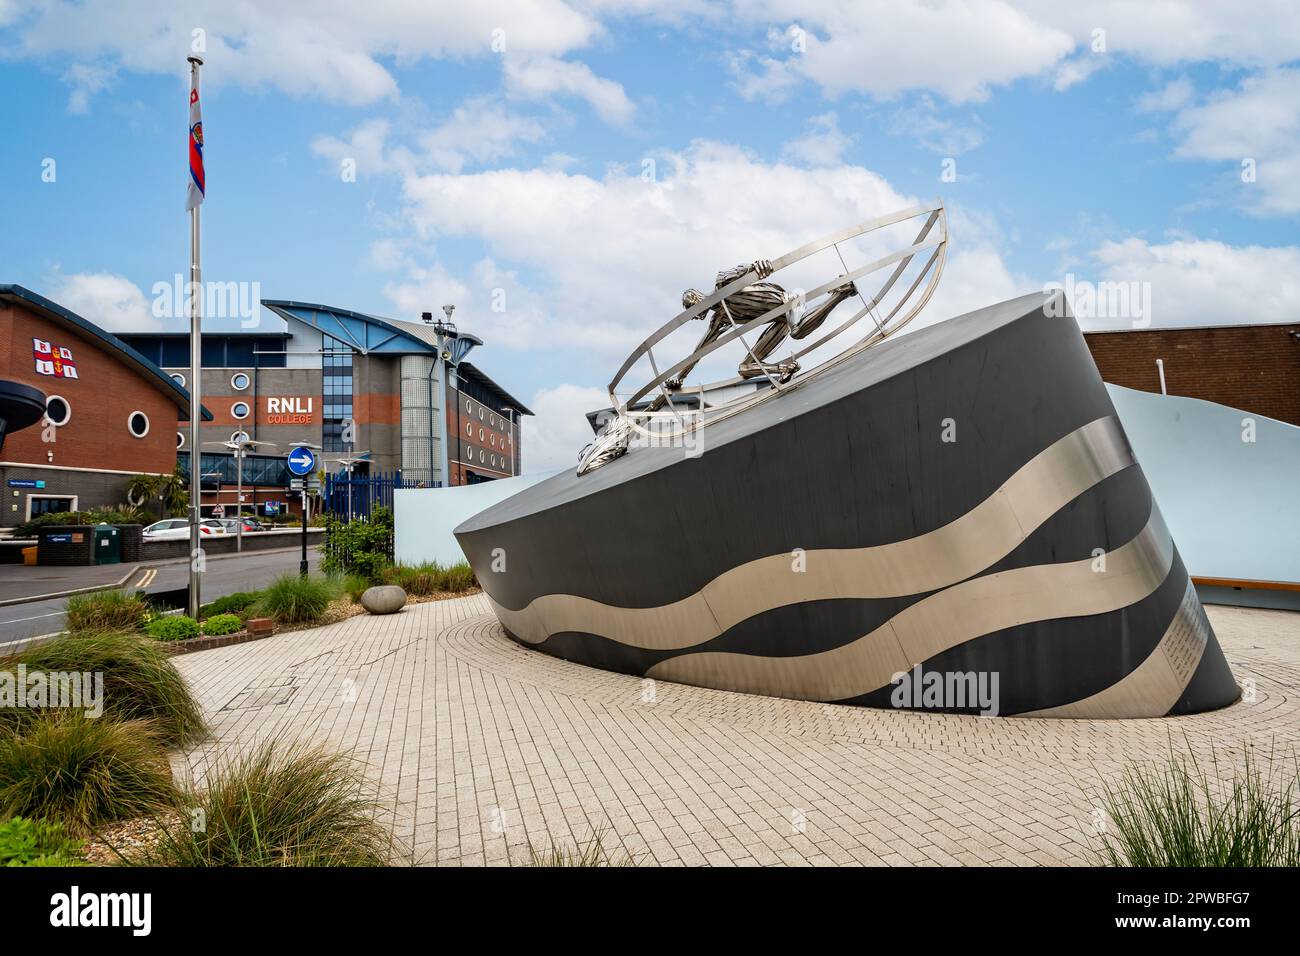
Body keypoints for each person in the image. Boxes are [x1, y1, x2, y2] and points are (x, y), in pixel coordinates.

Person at [648, 259, 858, 410]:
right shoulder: (719, 320)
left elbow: (745, 270)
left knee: (797, 330)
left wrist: (758, 266)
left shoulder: (722, 285)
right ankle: (784, 368)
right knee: (745, 368)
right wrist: (680, 378)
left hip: (786, 301)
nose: (693, 315)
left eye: (691, 308)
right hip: (780, 320)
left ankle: (840, 292)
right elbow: (698, 352)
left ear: (696, 297)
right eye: (690, 313)